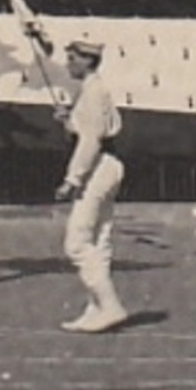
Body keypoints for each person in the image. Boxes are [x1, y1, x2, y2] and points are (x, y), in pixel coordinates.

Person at [53, 39, 129, 333]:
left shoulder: (94, 92)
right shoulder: (89, 91)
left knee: (77, 242)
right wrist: (68, 121)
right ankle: (95, 307)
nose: (68, 63)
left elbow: (91, 141)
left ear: (87, 61)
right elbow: (85, 129)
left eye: (72, 58)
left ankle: (110, 306)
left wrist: (72, 179)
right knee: (99, 238)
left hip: (100, 166)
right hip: (105, 164)